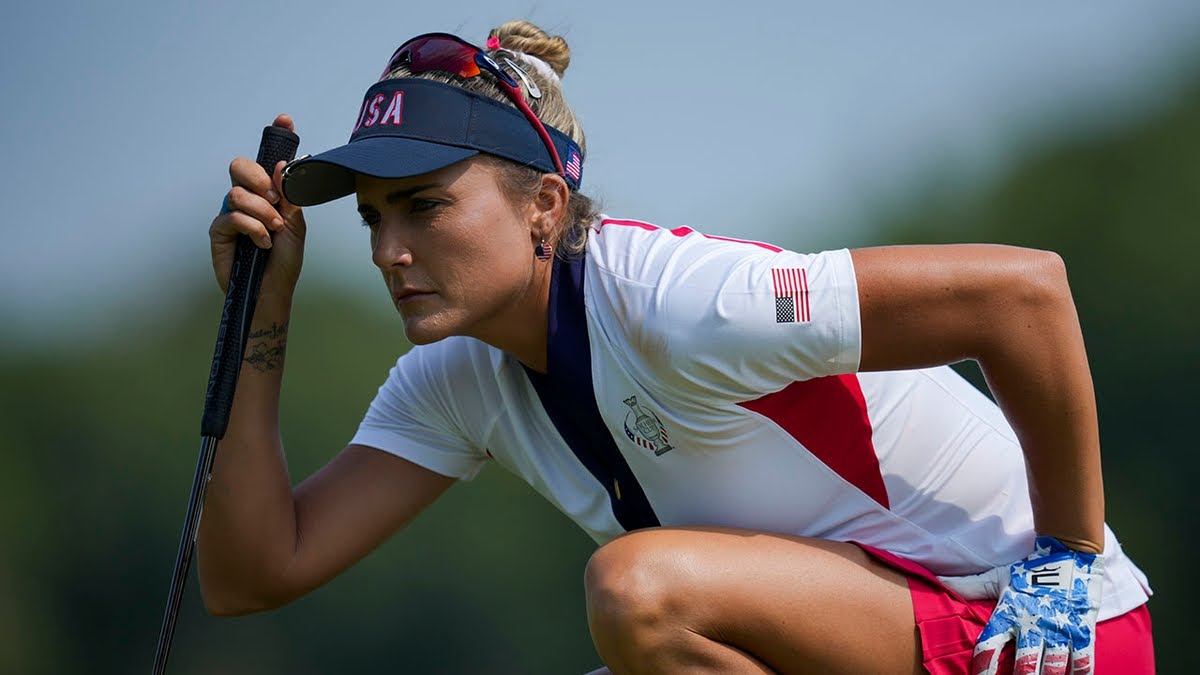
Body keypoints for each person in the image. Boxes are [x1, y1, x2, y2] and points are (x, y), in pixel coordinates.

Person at [203, 20, 1154, 674]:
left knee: (635, 589)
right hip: (900, 626)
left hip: (1048, 632)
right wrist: (258, 316)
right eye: (371, 218)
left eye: (426, 205)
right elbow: (254, 571)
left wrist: (1068, 553)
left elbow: (1024, 294)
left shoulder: (674, 299)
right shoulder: (454, 380)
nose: (389, 249)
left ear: (543, 205)